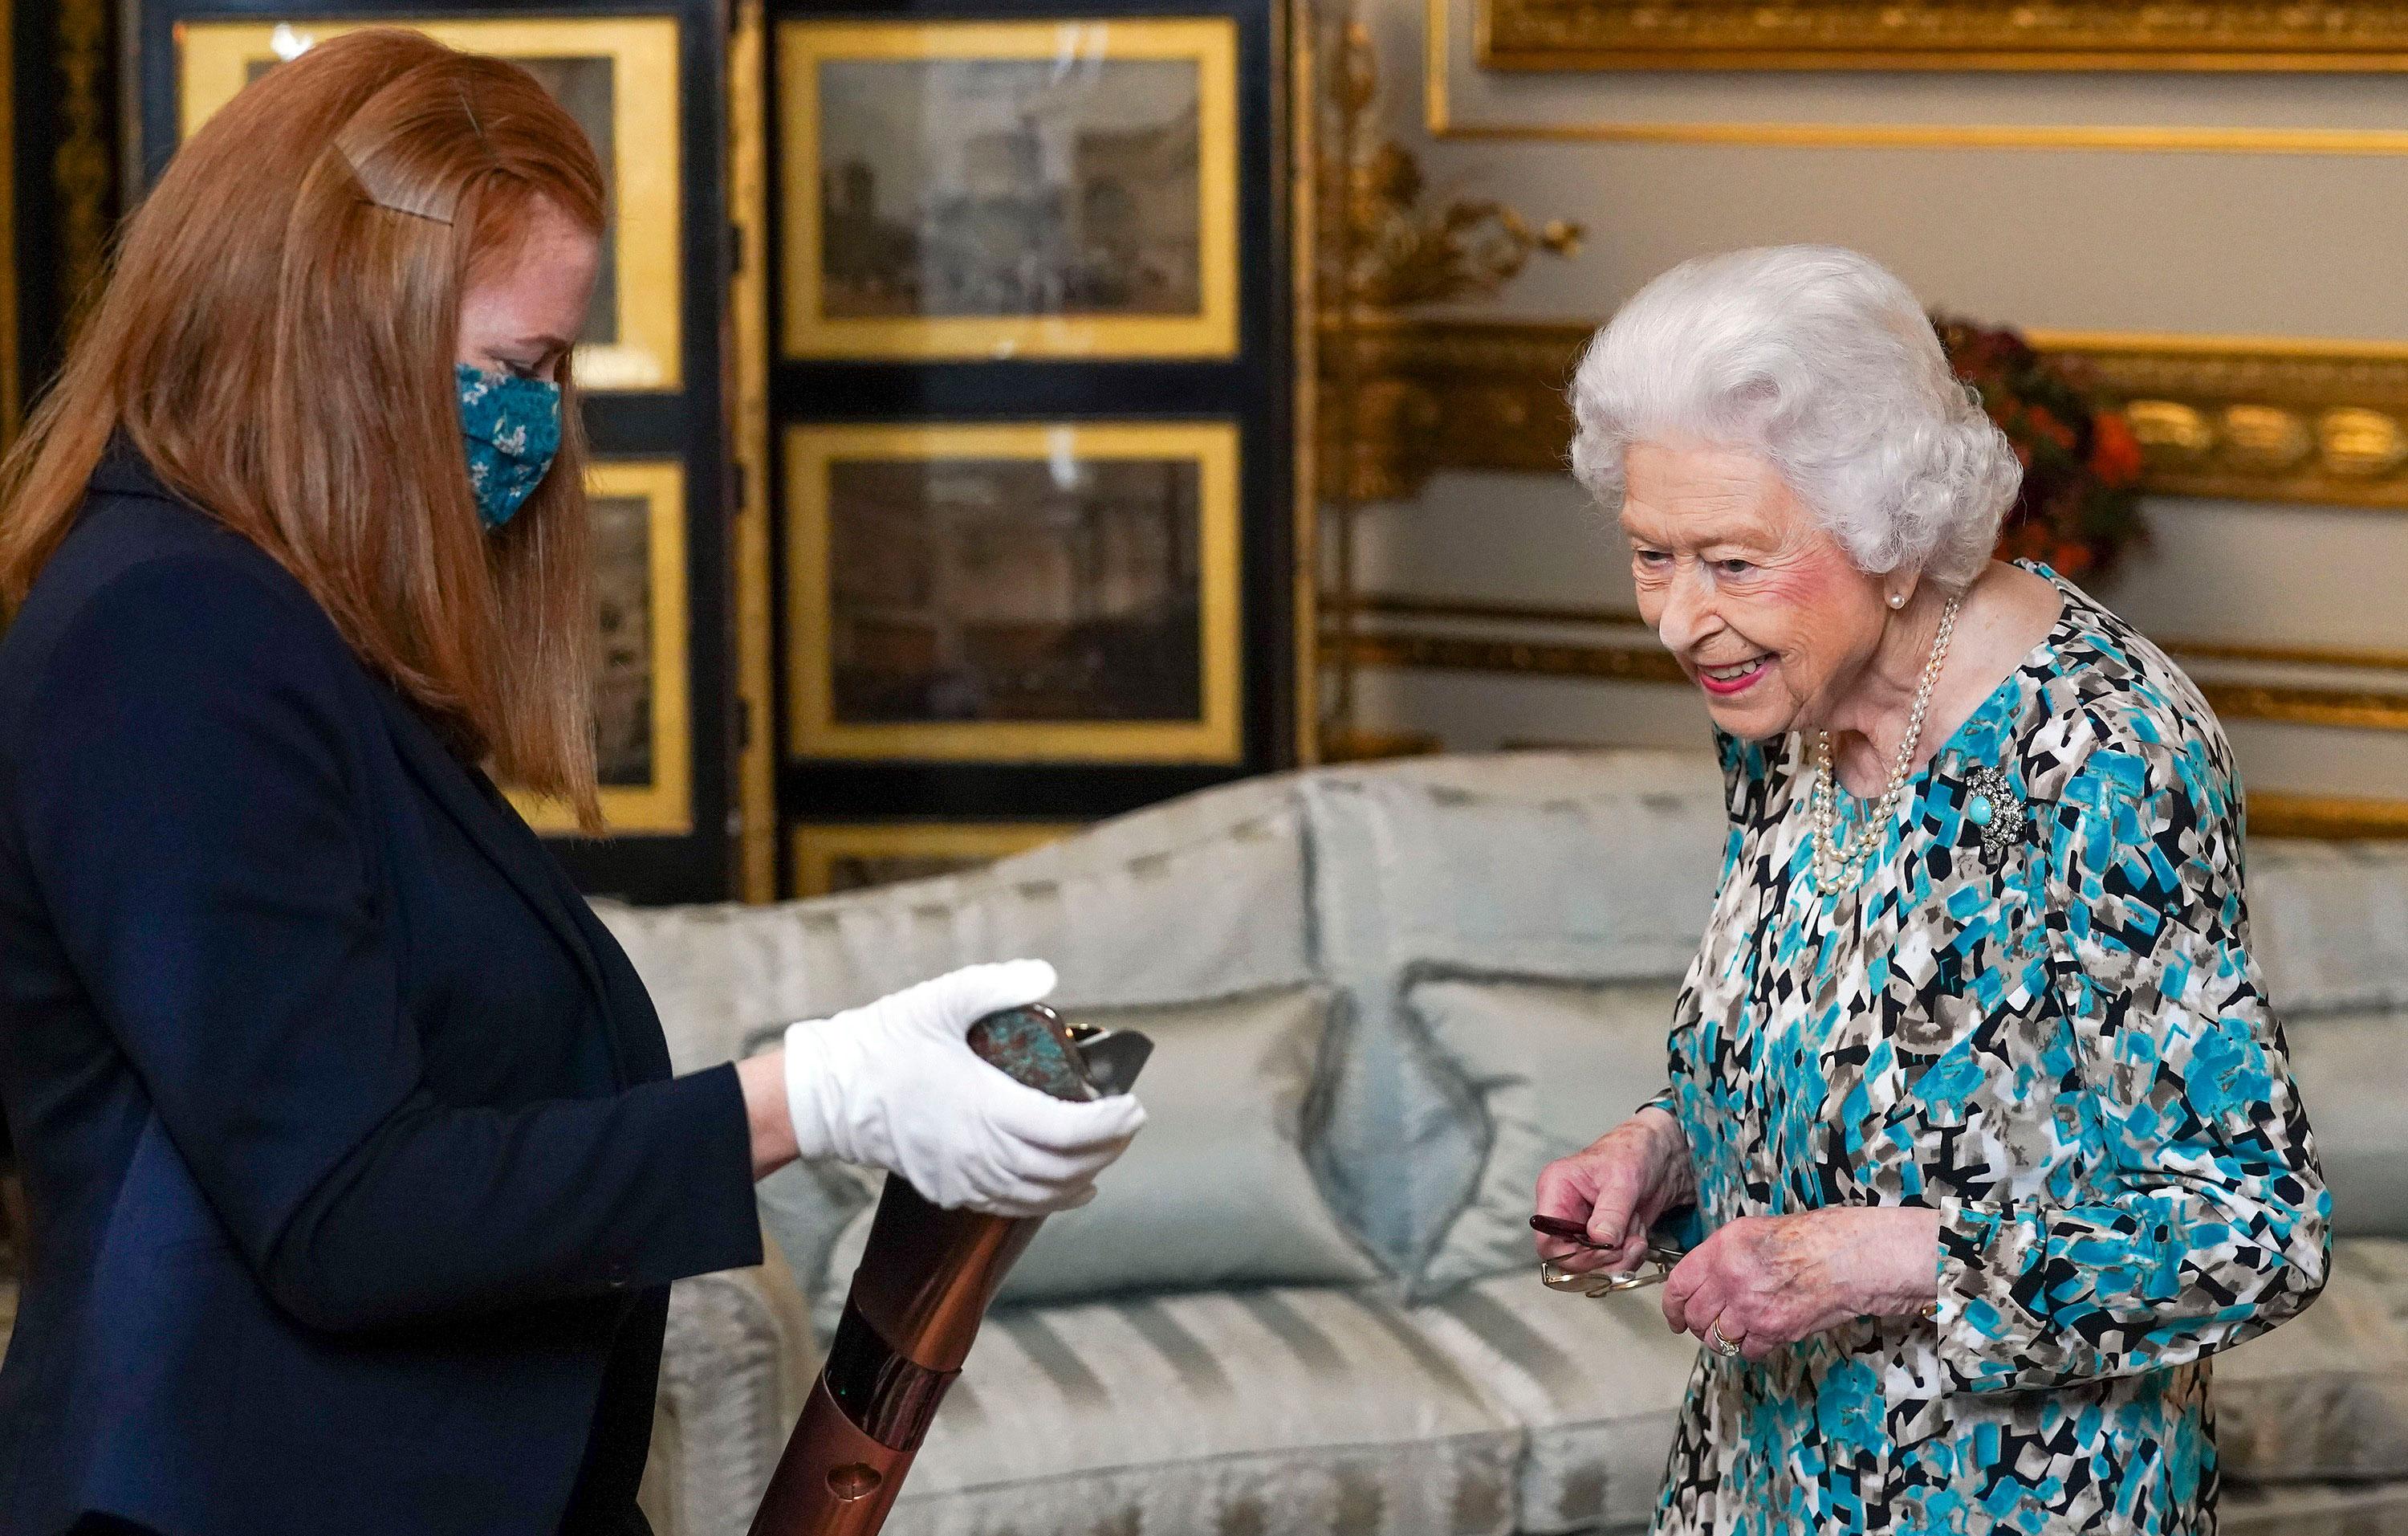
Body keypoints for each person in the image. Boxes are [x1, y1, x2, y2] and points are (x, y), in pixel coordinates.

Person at [0, 32, 1143, 1536]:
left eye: (555, 370)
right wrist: (820, 1091)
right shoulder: (169, 632)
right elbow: (350, 1210)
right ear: (329, 334)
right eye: (508, 369)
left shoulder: (285, 627)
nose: (536, 425)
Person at [1533, 246, 2327, 1534]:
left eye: (1731, 563)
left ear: (1892, 538)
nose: (1680, 621)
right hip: (1756, 1482)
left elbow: (2254, 1226)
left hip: (2012, 1501)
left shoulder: (2104, 754)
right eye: (1650, 555)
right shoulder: (1785, 709)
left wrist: (1869, 1260)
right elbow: (1830, 1051)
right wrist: (1665, 1151)